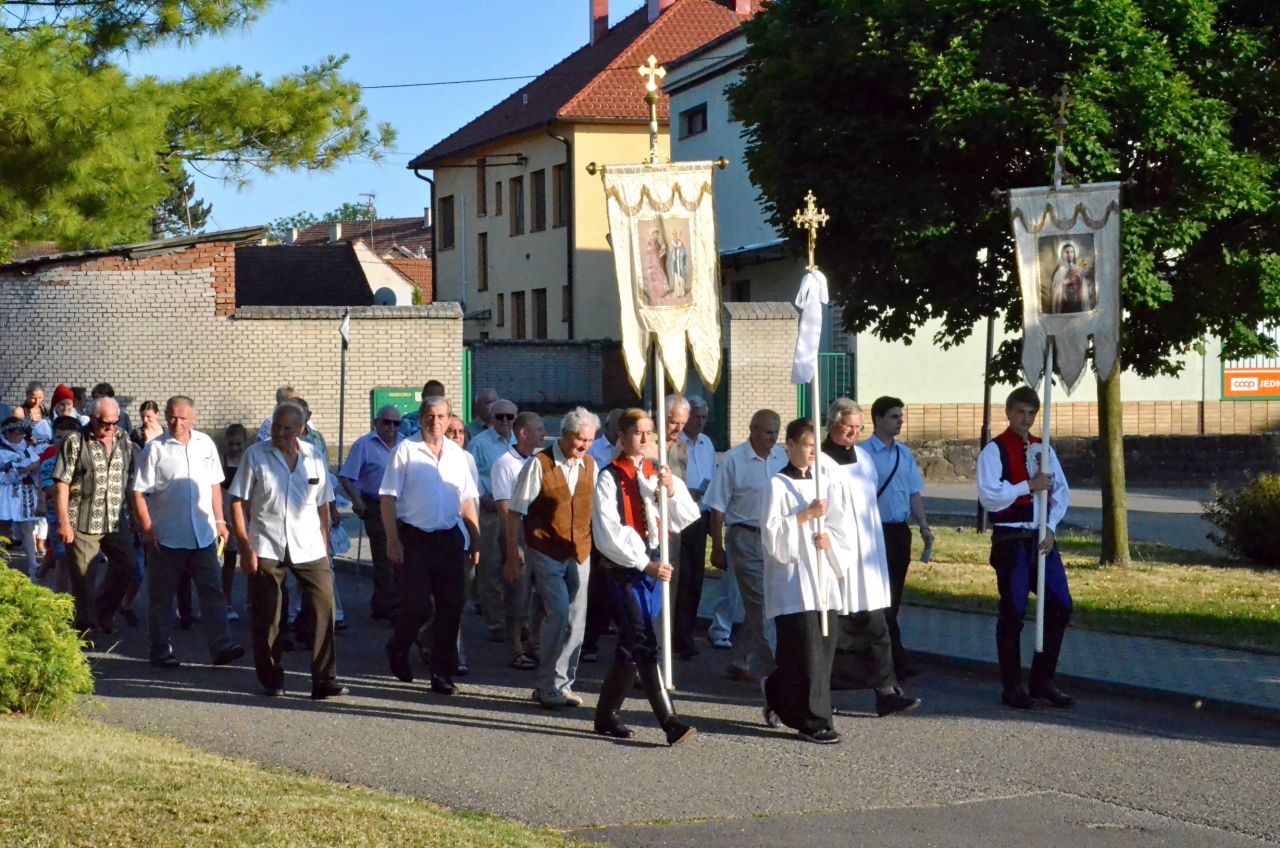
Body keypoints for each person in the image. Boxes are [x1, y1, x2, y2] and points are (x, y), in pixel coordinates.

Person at [591, 408, 700, 745]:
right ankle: (669, 721)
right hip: (625, 570)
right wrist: (643, 562)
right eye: (637, 432)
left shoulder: (657, 472)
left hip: (653, 567)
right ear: (622, 436)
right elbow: (608, 532)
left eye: (648, 432)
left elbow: (684, 517)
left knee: (630, 644)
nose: (643, 438)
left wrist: (671, 491)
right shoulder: (609, 476)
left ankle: (606, 714)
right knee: (643, 640)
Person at [229, 402, 346, 700]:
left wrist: (324, 545)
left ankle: (324, 679)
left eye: (287, 429)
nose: (280, 433)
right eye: (277, 427)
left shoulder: (314, 456)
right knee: (269, 614)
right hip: (266, 544)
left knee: (323, 606)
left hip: (309, 545)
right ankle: (271, 678)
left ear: (301, 430)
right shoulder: (256, 455)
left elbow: (323, 505)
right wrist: (245, 546)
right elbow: (238, 502)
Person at [821, 398, 921, 718]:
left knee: (877, 623)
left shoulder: (864, 459)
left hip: (868, 555)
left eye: (858, 427)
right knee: (833, 630)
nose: (854, 432)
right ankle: (818, 691)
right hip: (836, 557)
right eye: (847, 426)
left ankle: (886, 691)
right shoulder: (821, 463)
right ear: (832, 425)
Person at [977, 386, 1075, 710]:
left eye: (1031, 413)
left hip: (1040, 538)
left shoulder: (1043, 448)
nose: (1026, 418)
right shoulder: (994, 451)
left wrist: (1051, 526)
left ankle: (1042, 679)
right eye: (1020, 412)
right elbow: (989, 495)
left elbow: (1060, 491)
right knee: (1014, 610)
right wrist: (1026, 486)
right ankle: (1011, 685)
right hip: (1011, 539)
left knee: (1060, 604)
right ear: (1008, 412)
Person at [131, 396, 243, 669]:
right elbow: (138, 492)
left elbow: (215, 484)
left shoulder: (205, 444)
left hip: (202, 535)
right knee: (162, 598)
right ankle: (160, 650)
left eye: (183, 417)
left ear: (194, 418)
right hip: (166, 537)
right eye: (172, 416)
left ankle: (222, 647)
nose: (177, 422)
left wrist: (220, 520)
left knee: (213, 591)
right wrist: (147, 528)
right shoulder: (155, 449)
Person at [380, 396, 481, 696]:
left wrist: (476, 538)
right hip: (415, 537)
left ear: (449, 419)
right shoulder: (405, 450)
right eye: (430, 416)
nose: (435, 422)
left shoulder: (458, 455)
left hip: (449, 538)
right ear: (422, 417)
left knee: (452, 607)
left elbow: (466, 500)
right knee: (417, 607)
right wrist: (392, 540)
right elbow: (388, 497)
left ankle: (442, 673)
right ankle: (398, 647)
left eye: (441, 416)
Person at [506, 407, 599, 709]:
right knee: (558, 611)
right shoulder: (540, 464)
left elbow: (596, 510)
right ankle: (546, 685)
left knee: (577, 619)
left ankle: (563, 684)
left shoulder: (590, 465)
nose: (584, 445)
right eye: (579, 439)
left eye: (589, 440)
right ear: (565, 434)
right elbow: (515, 511)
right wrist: (513, 551)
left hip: (580, 550)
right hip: (545, 550)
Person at [759, 418, 846, 743]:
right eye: (807, 445)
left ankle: (776, 690)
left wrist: (829, 541)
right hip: (793, 579)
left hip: (821, 575)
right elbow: (771, 535)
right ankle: (814, 720)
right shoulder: (777, 485)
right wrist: (804, 516)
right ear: (790, 446)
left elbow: (839, 526)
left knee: (823, 647)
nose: (812, 452)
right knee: (803, 652)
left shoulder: (823, 483)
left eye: (816, 446)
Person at [704, 409, 787, 684]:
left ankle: (740, 659)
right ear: (752, 430)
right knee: (761, 605)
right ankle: (775, 673)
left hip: (774, 538)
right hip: (744, 537)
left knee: (770, 603)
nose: (772, 438)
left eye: (776, 432)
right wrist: (717, 547)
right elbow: (717, 507)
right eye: (767, 432)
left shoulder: (781, 458)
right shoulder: (733, 460)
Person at [862, 396, 934, 677]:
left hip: (899, 532)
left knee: (893, 595)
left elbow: (914, 493)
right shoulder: (863, 454)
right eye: (894, 416)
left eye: (901, 416)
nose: (900, 421)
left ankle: (888, 655)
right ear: (877, 419)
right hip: (873, 532)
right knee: (877, 598)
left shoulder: (905, 454)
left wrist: (924, 526)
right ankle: (890, 658)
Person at [53, 396, 136, 634]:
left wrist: (136, 517)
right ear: (92, 418)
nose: (110, 428)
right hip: (82, 519)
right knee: (83, 578)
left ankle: (103, 613)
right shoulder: (75, 441)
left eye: (114, 422)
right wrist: (63, 522)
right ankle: (87, 629)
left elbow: (129, 480)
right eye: (105, 423)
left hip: (115, 519)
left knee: (127, 567)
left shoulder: (124, 439)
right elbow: (61, 483)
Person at [338, 405, 403, 620]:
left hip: (402, 507)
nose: (391, 427)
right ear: (377, 423)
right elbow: (347, 476)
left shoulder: (406, 444)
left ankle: (383, 603)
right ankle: (390, 607)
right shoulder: (364, 444)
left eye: (396, 423)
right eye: (386, 422)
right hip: (376, 506)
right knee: (385, 558)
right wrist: (357, 501)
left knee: (401, 558)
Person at [492, 411, 546, 669]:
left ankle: (534, 639)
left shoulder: (539, 460)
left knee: (542, 593)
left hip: (539, 535)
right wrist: (514, 546)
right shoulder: (504, 463)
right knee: (518, 594)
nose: (544, 434)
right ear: (523, 433)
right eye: (539, 429)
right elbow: (504, 508)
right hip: (518, 533)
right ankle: (515, 647)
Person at [468, 398, 518, 641]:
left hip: (516, 513)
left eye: (510, 417)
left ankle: (517, 621)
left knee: (516, 567)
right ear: (490, 418)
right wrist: (481, 497)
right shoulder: (478, 444)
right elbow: (470, 475)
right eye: (500, 417)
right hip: (489, 512)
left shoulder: (521, 441)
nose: (505, 421)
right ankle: (496, 623)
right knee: (490, 569)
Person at [674, 395, 714, 660]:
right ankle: (678, 635)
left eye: (704, 417)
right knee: (681, 577)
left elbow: (712, 475)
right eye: (696, 417)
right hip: (678, 516)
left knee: (696, 578)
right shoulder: (676, 443)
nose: (700, 422)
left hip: (700, 515)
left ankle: (687, 631)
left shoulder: (706, 443)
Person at [0, 417, 42, 574]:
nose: (21, 436)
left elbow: (36, 462)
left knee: (27, 526)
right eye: (17, 433)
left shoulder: (24, 449)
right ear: (7, 434)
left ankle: (32, 563)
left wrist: (30, 467)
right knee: (3, 527)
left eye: (21, 433)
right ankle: (2, 562)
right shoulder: (3, 450)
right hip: (6, 492)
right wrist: (19, 467)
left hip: (23, 493)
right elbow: (13, 470)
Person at [219, 423, 248, 620]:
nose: (235, 448)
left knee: (252, 557)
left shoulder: (248, 460)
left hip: (246, 511)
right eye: (231, 444)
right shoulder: (222, 461)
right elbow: (218, 490)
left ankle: (252, 599)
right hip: (227, 512)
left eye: (238, 444)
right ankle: (226, 601)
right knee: (228, 560)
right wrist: (222, 516)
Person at [1050, 243, 1091, 313]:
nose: (1070, 254)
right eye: (1067, 252)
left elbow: (1083, 287)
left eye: (1072, 252)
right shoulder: (1060, 270)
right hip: (1064, 305)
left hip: (1077, 303)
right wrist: (1064, 282)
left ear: (1074, 254)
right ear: (1063, 254)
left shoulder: (1079, 269)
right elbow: (1054, 287)